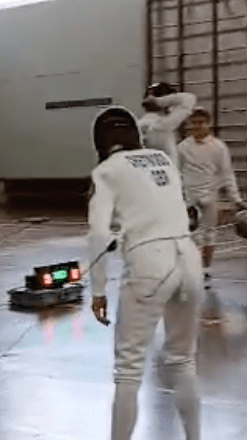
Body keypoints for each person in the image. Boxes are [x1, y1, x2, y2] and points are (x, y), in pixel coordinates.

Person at [87, 106, 203, 440]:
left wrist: (98, 290)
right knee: (183, 360)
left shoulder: (106, 171)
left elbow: (98, 235)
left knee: (129, 370)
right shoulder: (162, 159)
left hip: (150, 262)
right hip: (189, 257)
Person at [179, 107, 247, 291]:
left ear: (209, 124)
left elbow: (227, 174)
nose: (197, 126)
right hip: (189, 199)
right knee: (190, 236)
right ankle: (192, 270)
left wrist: (236, 200)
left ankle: (206, 270)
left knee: (209, 234)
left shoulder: (218, 147)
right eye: (193, 123)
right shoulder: (182, 147)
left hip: (210, 196)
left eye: (201, 122)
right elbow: (176, 173)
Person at [137, 82, 197, 170]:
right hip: (166, 173)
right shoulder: (163, 125)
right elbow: (189, 98)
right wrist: (159, 101)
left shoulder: (138, 125)